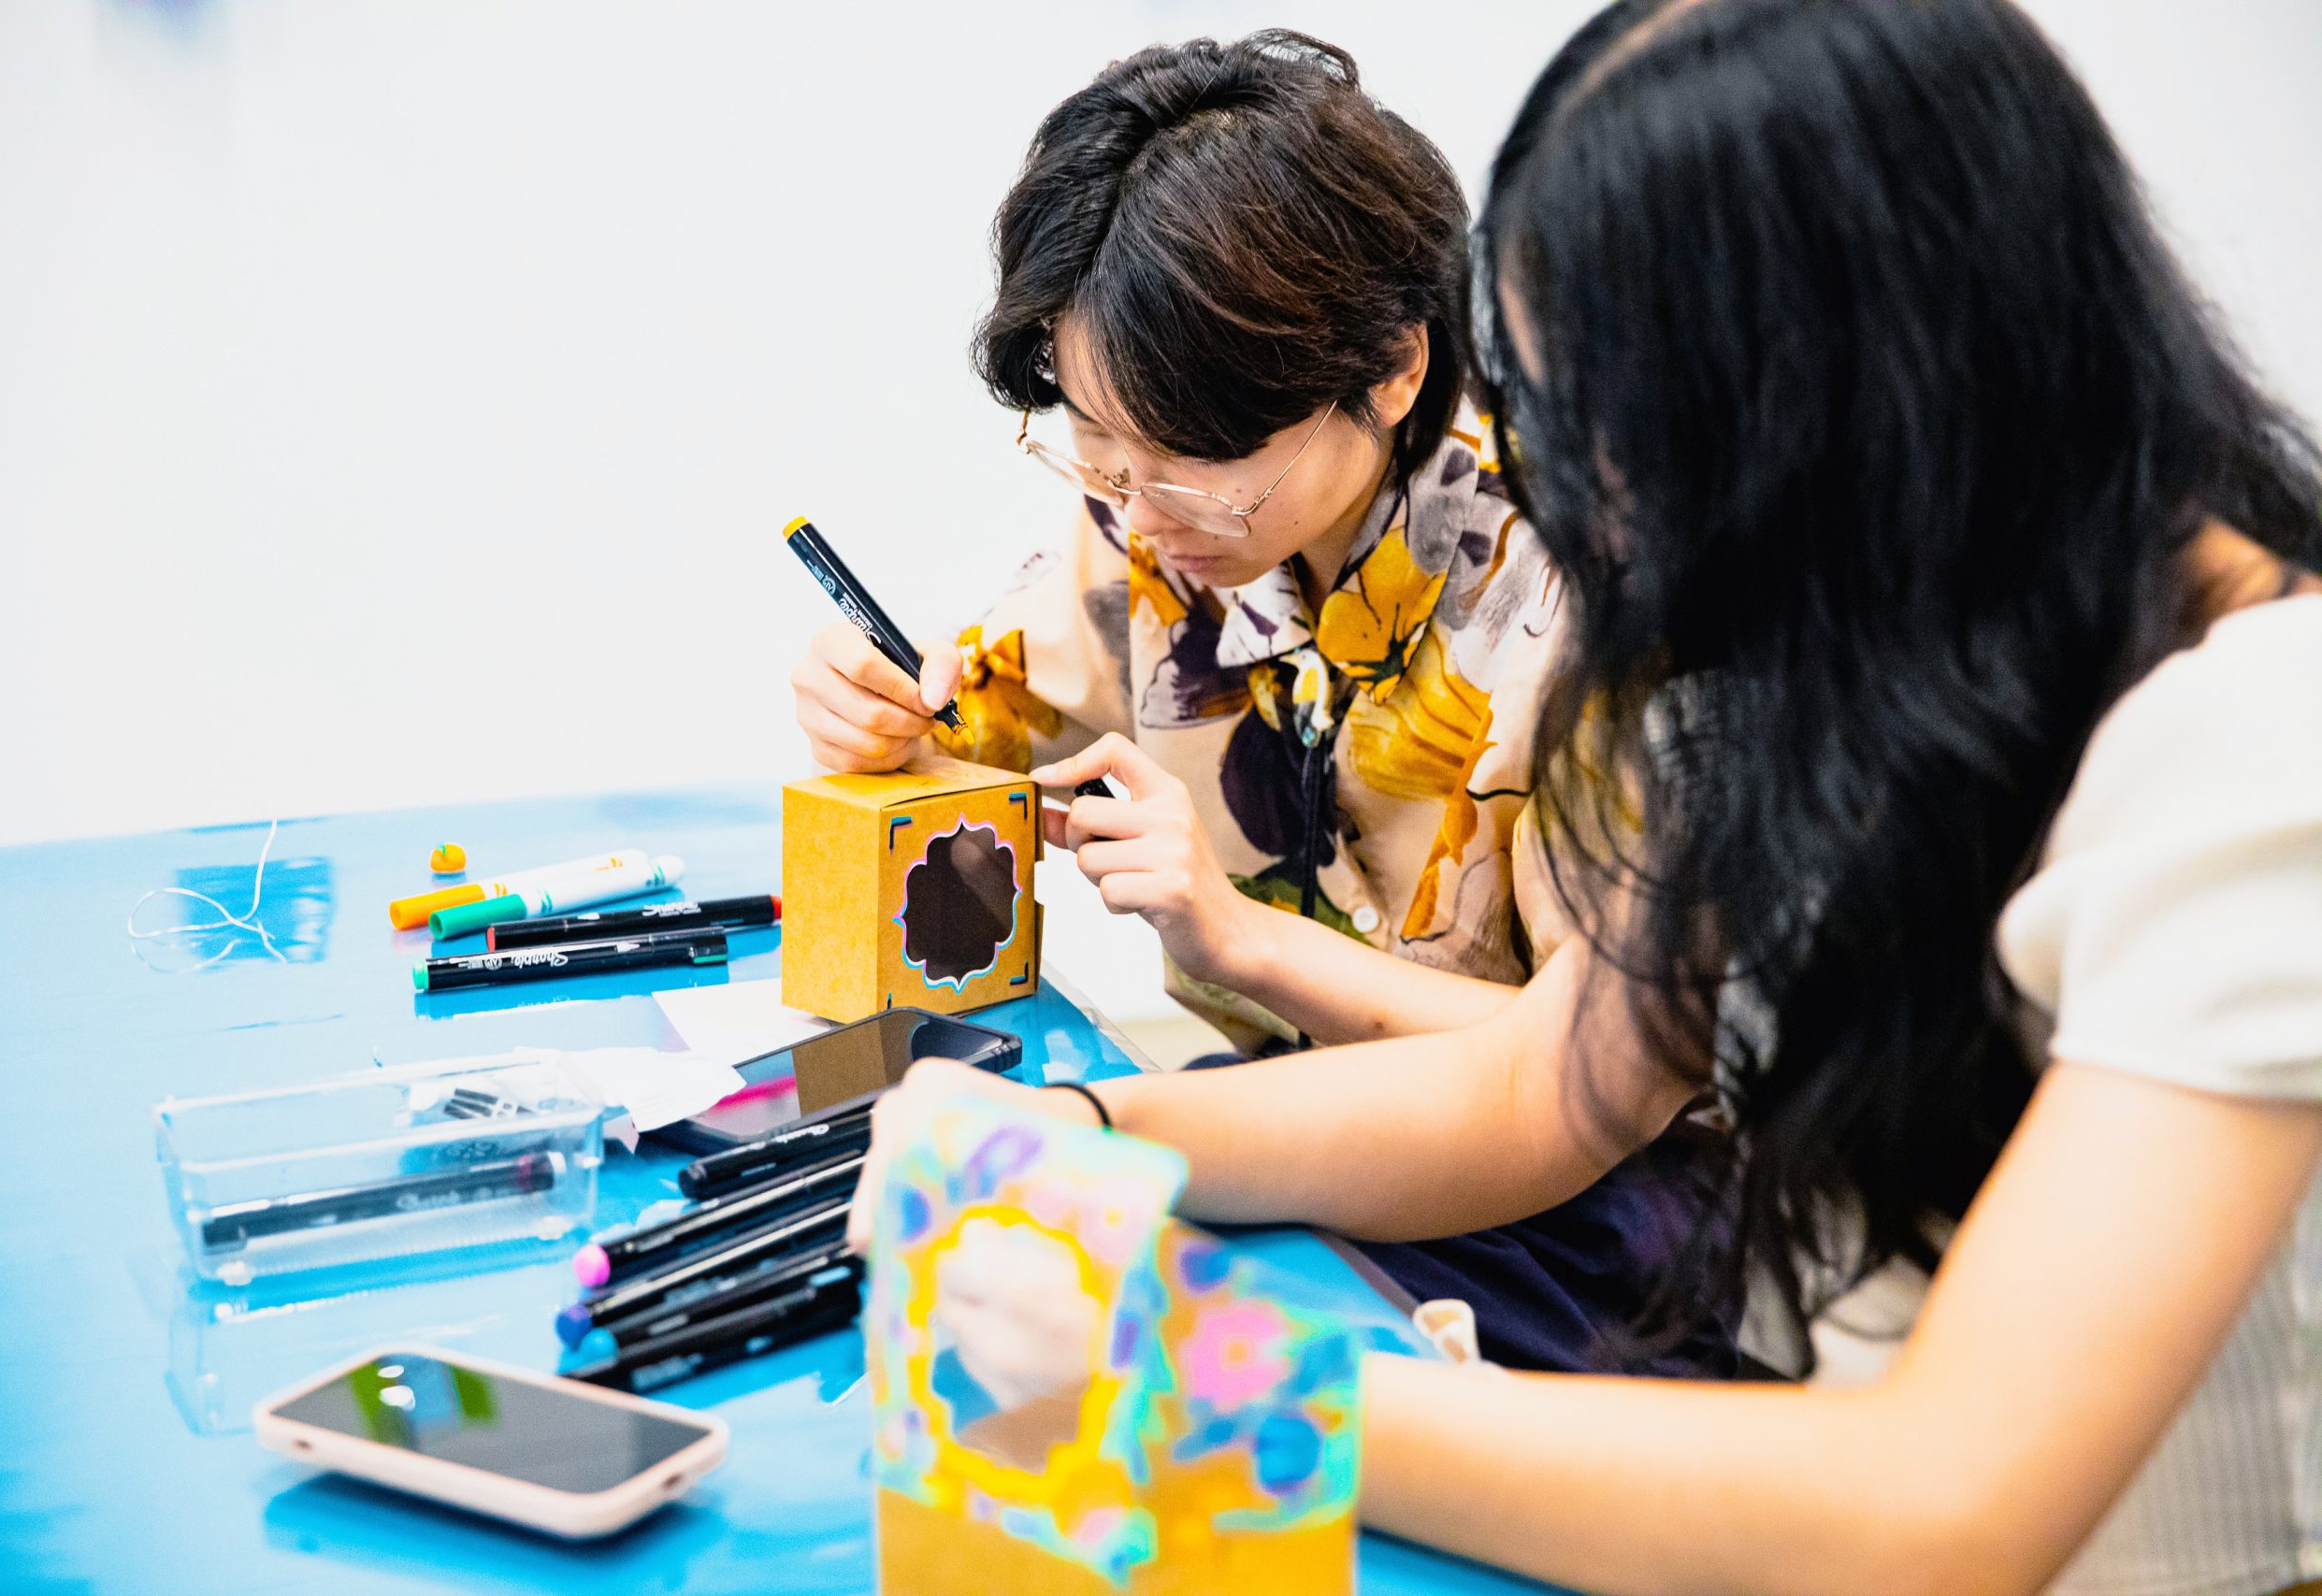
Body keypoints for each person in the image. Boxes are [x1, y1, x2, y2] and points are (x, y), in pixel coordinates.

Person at [851, 1, 2322, 1590]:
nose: (1596, 511)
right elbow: (1550, 1089)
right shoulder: (1855, 658)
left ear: (1866, 381)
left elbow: (1944, 1506)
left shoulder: (2261, 735)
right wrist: (1078, 1127)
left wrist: (1191, 1384)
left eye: (1631, 438)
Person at [792, 30, 1739, 1377]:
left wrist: (1238, 938)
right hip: (1294, 1133)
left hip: (1591, 1223)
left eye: (1189, 465)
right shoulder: (1151, 535)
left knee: (1110, 1358)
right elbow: (972, 726)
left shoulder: (1589, 594)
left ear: (1395, 369)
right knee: (957, 1295)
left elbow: (1589, 1078)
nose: (1140, 513)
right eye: (1094, 448)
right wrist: (876, 712)